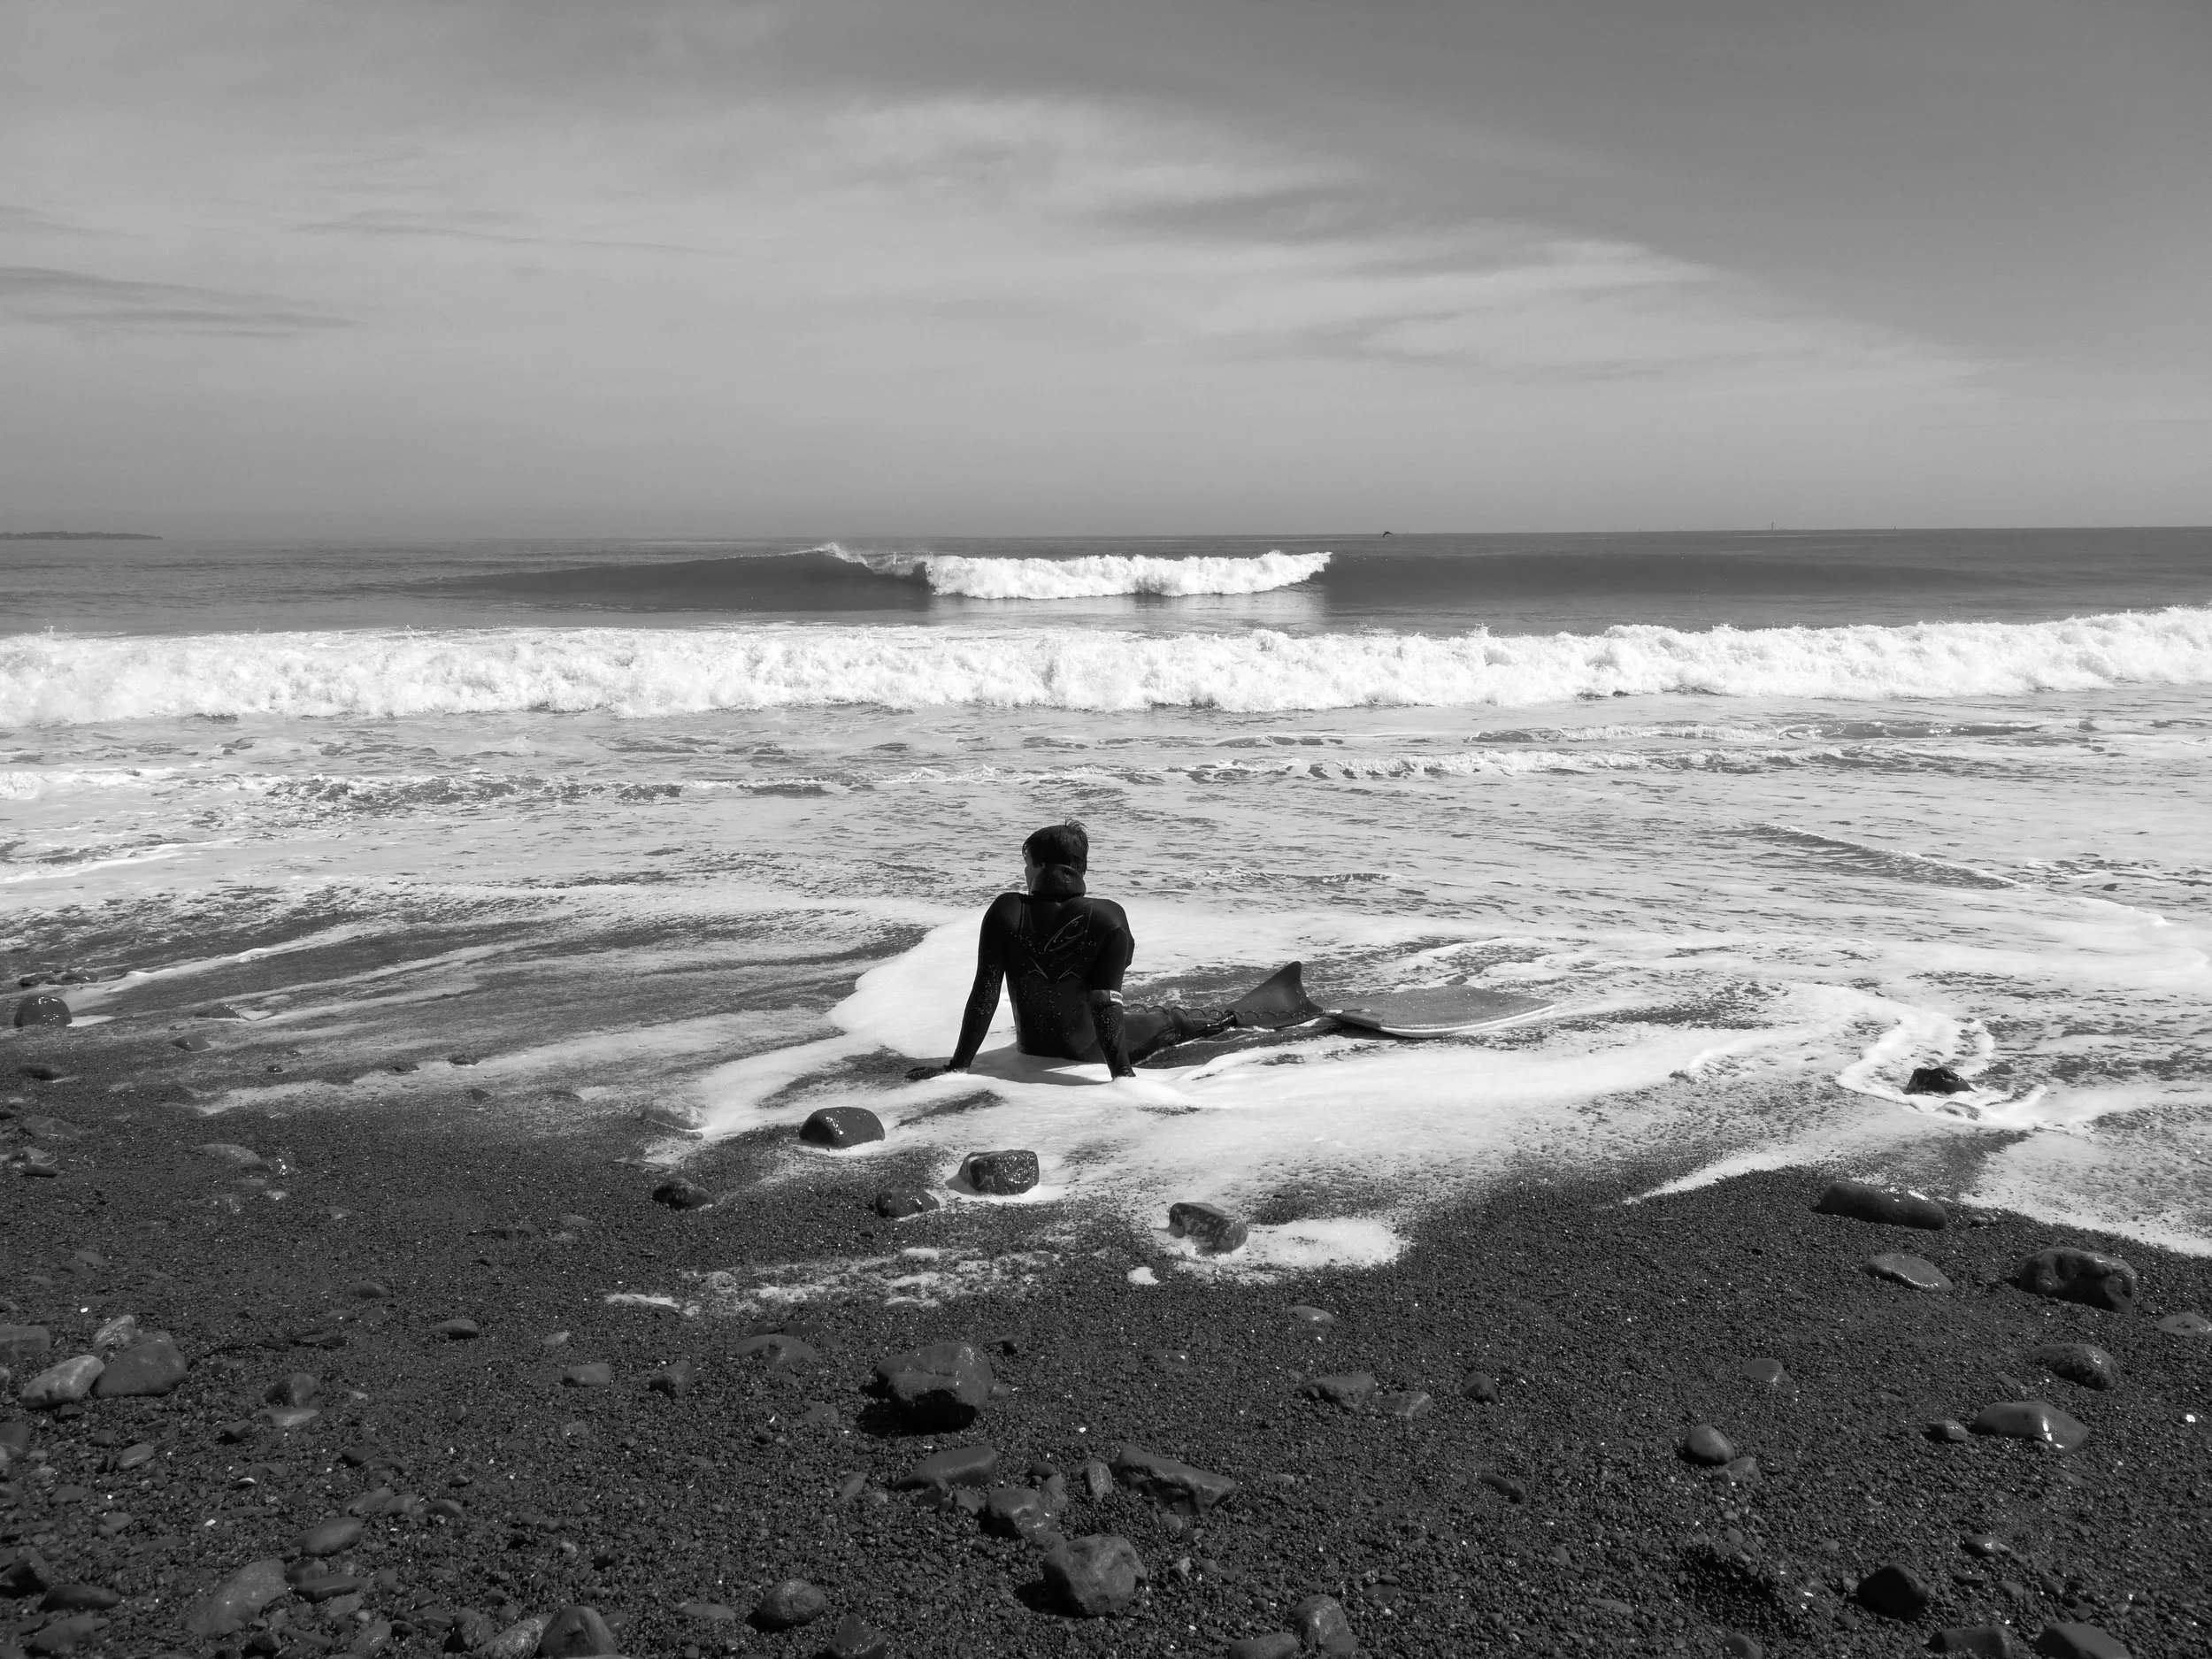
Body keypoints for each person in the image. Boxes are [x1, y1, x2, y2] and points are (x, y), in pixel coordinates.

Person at [905, 821, 1312, 1082]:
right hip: (1090, 1053)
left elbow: (985, 994)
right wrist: (1122, 1076)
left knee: (1149, 1013)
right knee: (1171, 1020)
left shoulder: (1005, 910)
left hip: (1035, 1047)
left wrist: (958, 1065)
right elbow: (1104, 1000)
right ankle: (1266, 1009)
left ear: (1045, 866)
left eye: (1027, 863)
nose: (1024, 872)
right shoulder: (1108, 918)